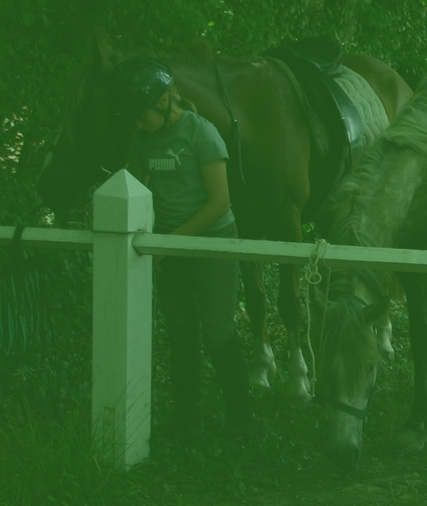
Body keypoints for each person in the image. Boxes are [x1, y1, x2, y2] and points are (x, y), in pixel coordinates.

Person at [112, 58, 252, 441]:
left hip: (212, 240)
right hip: (168, 246)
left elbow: (220, 202)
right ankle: (187, 421)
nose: (137, 125)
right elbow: (136, 192)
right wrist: (153, 241)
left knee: (219, 330)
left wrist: (167, 247)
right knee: (180, 332)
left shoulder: (201, 134)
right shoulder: (141, 140)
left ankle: (240, 421)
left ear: (162, 102)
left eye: (141, 116)